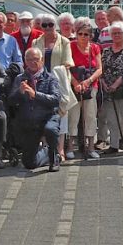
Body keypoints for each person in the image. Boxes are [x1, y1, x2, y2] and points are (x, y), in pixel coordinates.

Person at [9, 48, 61, 172]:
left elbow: (55, 99)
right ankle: (46, 153)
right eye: (29, 60)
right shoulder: (19, 78)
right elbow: (11, 101)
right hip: (30, 122)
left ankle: (54, 158)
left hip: (48, 117)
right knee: (29, 163)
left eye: (36, 60)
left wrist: (35, 95)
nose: (33, 62)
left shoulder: (50, 78)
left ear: (42, 61)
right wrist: (20, 93)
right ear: (25, 61)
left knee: (51, 130)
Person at [32, 14, 74, 162]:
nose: (48, 28)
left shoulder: (64, 41)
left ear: (55, 25)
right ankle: (46, 148)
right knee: (42, 115)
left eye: (50, 24)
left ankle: (60, 148)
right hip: (41, 83)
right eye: (44, 25)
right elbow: (32, 61)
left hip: (58, 83)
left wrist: (55, 72)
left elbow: (68, 62)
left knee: (61, 116)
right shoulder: (36, 41)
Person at [100, 23, 123, 155]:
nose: (116, 35)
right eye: (114, 33)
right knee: (111, 119)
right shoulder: (106, 51)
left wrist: (116, 84)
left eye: (119, 33)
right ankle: (114, 145)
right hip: (108, 90)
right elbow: (101, 69)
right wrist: (104, 84)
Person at [69, 18, 102, 160]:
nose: (83, 37)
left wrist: (88, 81)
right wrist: (76, 83)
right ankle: (70, 147)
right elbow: (66, 67)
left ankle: (90, 147)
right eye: (80, 34)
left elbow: (100, 69)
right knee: (73, 116)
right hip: (74, 86)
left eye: (86, 34)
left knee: (90, 117)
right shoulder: (70, 46)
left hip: (91, 86)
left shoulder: (95, 48)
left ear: (91, 36)